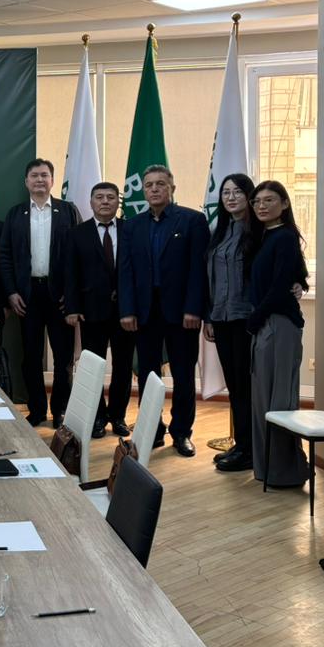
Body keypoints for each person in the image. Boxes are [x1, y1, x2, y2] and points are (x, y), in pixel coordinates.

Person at [118, 164, 209, 457]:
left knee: (183, 374)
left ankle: (181, 432)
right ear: (143, 191)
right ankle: (152, 429)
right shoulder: (132, 225)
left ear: (172, 188)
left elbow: (198, 270)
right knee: (148, 374)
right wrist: (127, 310)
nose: (154, 189)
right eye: (149, 185)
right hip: (145, 313)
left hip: (183, 313)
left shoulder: (193, 221)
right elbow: (125, 271)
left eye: (160, 184)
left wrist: (194, 308)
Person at [0, 158, 81, 428]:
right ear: (26, 182)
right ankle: (36, 410)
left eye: (44, 175)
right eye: (34, 176)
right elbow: (5, 255)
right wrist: (11, 292)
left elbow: (79, 256)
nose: (39, 180)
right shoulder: (15, 214)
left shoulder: (68, 211)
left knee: (63, 358)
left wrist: (72, 294)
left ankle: (60, 410)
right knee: (31, 357)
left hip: (60, 297)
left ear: (52, 180)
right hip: (27, 295)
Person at [247, 180, 313, 488]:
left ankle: (286, 471)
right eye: (257, 201)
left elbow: (278, 287)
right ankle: (268, 469)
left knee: (279, 401)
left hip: (279, 325)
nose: (261, 206)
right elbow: (294, 275)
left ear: (284, 204)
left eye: (269, 200)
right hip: (266, 322)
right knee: (264, 400)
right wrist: (301, 284)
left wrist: (254, 319)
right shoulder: (263, 236)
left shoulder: (285, 236)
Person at [64, 181, 135, 440]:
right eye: (99, 197)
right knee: (92, 367)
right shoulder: (77, 233)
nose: (105, 201)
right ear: (91, 202)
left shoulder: (130, 230)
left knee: (123, 366)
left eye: (110, 197)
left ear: (118, 202)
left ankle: (118, 416)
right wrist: (72, 308)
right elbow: (70, 273)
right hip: (90, 311)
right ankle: (96, 417)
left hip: (125, 312)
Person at [205, 173, 257, 473]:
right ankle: (241, 444)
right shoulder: (220, 231)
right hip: (221, 318)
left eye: (237, 192)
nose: (231, 197)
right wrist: (210, 317)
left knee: (247, 386)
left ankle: (250, 450)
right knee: (235, 386)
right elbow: (210, 278)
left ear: (248, 196)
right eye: (225, 192)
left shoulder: (258, 232)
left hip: (246, 320)